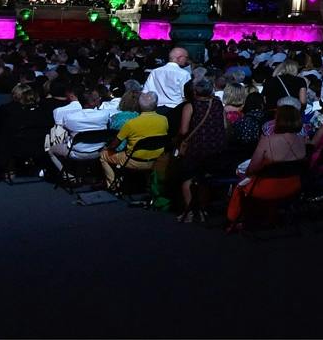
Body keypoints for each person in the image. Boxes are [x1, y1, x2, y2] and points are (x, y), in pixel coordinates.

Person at [228, 102, 307, 231]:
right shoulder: (301, 141)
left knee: (243, 181)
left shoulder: (268, 140)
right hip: (294, 185)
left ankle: (238, 220)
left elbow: (252, 168)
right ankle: (269, 217)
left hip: (268, 187)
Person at [170, 77, 229, 222]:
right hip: (215, 147)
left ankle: (189, 212)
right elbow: (225, 126)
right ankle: (203, 210)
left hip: (195, 148)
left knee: (187, 177)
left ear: (195, 90)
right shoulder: (217, 103)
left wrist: (177, 141)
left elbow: (184, 130)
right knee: (204, 178)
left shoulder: (190, 106)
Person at [102, 94, 169, 188]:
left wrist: (106, 147)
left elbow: (114, 146)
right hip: (156, 159)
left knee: (103, 155)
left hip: (134, 161)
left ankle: (113, 185)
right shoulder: (164, 120)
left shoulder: (130, 123)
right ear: (156, 105)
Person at [144, 47, 191, 125]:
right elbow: (186, 96)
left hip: (156, 111)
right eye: (186, 57)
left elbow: (146, 92)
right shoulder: (184, 74)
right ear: (180, 58)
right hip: (176, 112)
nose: (187, 60)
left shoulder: (155, 72)